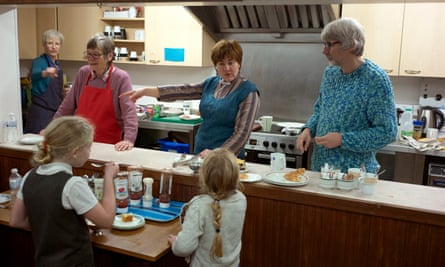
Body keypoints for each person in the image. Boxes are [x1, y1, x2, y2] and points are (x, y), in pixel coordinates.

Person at [120, 39, 260, 158]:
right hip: (200, 153)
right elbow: (182, 90)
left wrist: (217, 154)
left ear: (239, 63)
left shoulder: (248, 92)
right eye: (221, 64)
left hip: (227, 161)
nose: (227, 68)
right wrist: (145, 91)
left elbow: (242, 134)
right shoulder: (211, 84)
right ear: (216, 66)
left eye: (231, 62)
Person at [9, 116, 118, 266]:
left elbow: (16, 221)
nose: (89, 152)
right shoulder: (72, 184)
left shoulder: (30, 175)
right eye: (89, 147)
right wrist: (108, 177)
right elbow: (106, 221)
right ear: (75, 152)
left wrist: (51, 229)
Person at [296, 17, 398, 174]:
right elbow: (320, 111)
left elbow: (387, 132)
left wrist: (343, 140)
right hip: (321, 170)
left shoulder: (375, 80)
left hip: (354, 176)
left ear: (350, 44)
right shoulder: (330, 74)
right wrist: (308, 130)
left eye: (329, 44)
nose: (324, 51)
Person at [54, 33, 137, 151]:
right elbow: (66, 107)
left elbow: (129, 112)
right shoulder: (83, 73)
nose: (91, 59)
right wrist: (51, 130)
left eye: (96, 55)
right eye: (88, 54)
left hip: (108, 144)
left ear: (109, 56)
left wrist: (128, 140)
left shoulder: (121, 78)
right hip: (80, 142)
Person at [167, 148, 247, 266]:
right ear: (235, 175)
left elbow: (183, 248)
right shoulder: (241, 199)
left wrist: (176, 244)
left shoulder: (199, 206)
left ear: (203, 176)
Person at [25, 29, 65, 134]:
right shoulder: (39, 61)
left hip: (54, 113)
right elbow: (33, 76)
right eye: (50, 43)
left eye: (57, 44)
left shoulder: (57, 65)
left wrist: (64, 93)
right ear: (44, 45)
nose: (54, 46)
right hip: (40, 113)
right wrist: (45, 73)